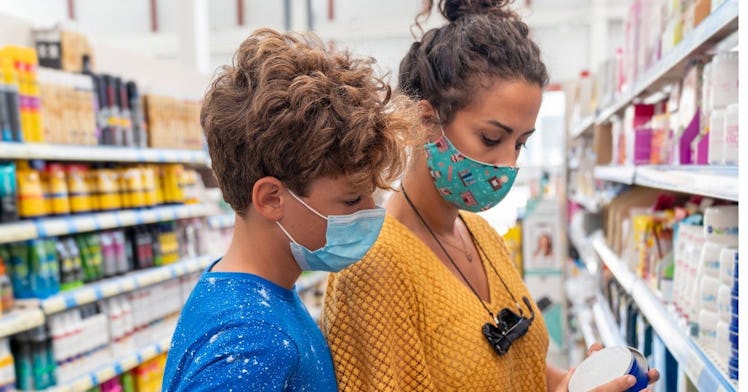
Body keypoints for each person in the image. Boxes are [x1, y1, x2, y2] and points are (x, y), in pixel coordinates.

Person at [321, 1, 659, 391]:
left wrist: (571, 383)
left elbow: (518, 371)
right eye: (492, 139)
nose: (507, 164)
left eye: (521, 144)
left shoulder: (481, 235)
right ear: (426, 120)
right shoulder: (372, 269)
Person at [163, 28, 412, 391]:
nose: (370, 213)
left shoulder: (259, 297)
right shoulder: (253, 345)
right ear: (271, 199)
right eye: (352, 200)